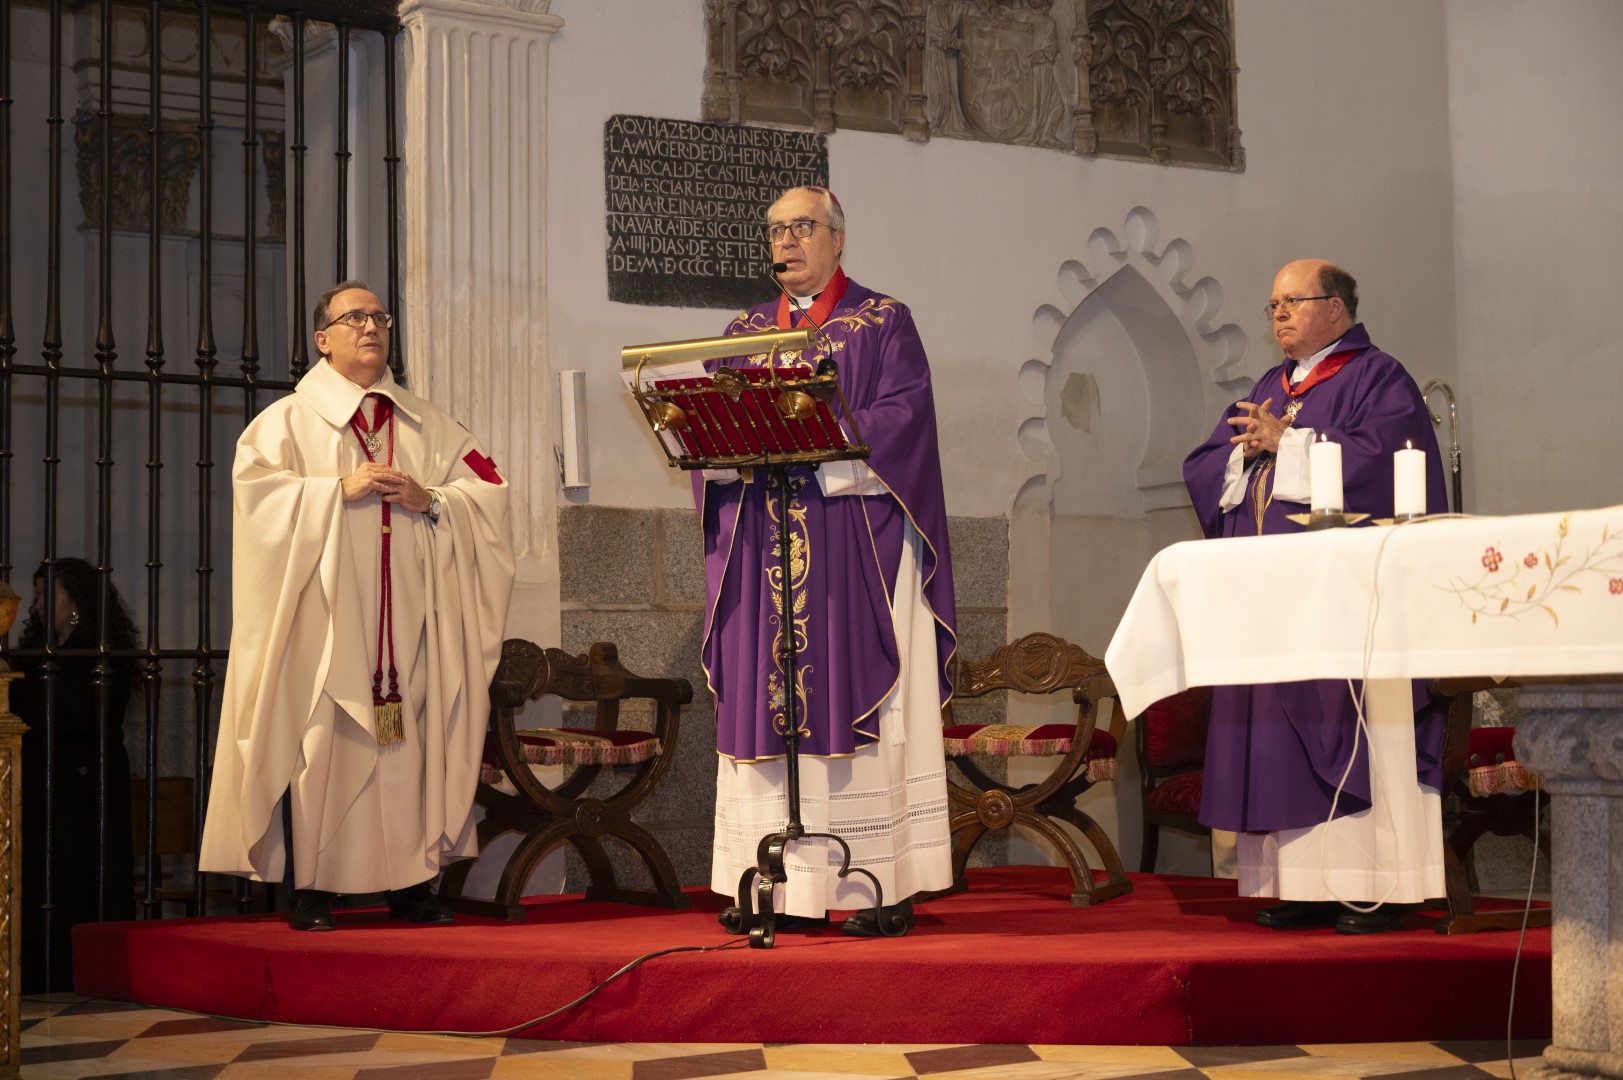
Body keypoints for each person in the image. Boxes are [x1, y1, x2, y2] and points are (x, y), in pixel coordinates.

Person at [200, 280, 515, 931]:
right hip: (327, 627)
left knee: (408, 749)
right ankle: (315, 892)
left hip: (409, 626)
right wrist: (332, 491)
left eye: (379, 317)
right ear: (323, 339)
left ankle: (413, 887)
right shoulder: (285, 423)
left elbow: (490, 493)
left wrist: (431, 499)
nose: (371, 327)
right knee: (323, 747)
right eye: (354, 319)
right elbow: (256, 499)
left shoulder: (430, 424)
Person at [698, 187, 957, 937]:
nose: (786, 241)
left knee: (859, 694)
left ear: (837, 239)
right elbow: (709, 430)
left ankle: (877, 882)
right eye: (776, 230)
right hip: (764, 551)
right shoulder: (744, 332)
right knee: (764, 695)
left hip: (853, 544)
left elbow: (905, 418)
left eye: (801, 227)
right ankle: (765, 882)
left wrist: (815, 432)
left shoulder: (882, 322)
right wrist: (715, 441)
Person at [1182, 259, 1449, 934]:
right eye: (1272, 305)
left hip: (1350, 601)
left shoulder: (1378, 377)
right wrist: (1244, 454)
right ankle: (1303, 884)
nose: (1278, 314)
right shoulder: (1268, 386)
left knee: (1350, 726)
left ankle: (1377, 886)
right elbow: (1208, 463)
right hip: (1273, 599)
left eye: (1292, 302)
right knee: (1280, 745)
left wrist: (1289, 443)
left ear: (1335, 308)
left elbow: (1383, 463)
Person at [13, 558, 139, 993]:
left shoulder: (101, 653)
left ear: (78, 600)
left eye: (47, 595)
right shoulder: (38, 653)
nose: (37, 605)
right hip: (42, 782)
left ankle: (87, 971)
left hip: (86, 786)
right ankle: (39, 970)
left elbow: (77, 715)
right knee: (41, 876)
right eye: (36, 595)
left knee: (83, 876)